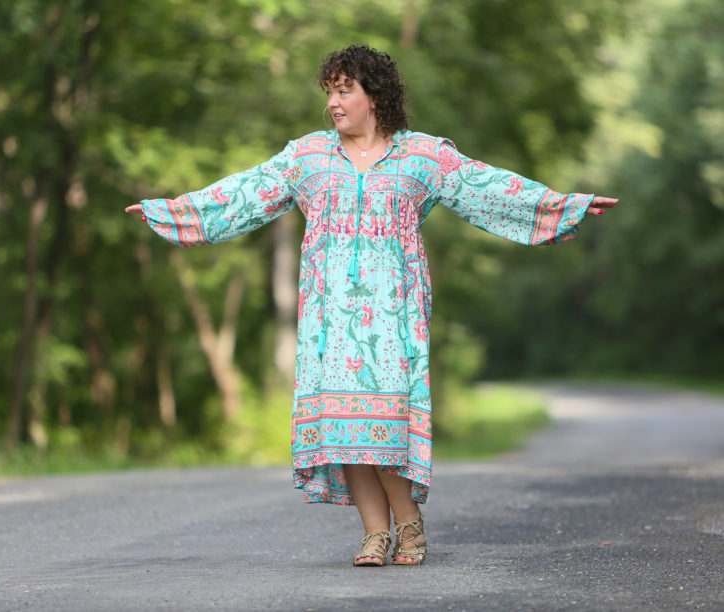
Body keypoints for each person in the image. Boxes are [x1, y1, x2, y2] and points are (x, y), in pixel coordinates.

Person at [126, 44, 618, 567]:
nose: (334, 103)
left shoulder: (422, 157)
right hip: (330, 316)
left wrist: (564, 207)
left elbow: (488, 188)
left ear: (374, 95)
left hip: (393, 314)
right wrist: (174, 212)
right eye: (330, 92)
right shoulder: (307, 157)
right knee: (345, 426)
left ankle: (408, 524)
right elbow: (243, 193)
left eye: (345, 91)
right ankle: (374, 533)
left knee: (386, 420)